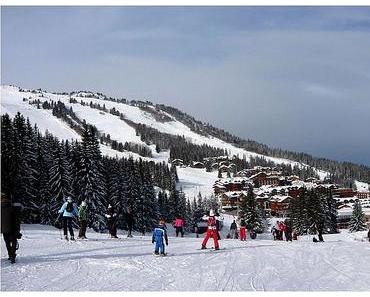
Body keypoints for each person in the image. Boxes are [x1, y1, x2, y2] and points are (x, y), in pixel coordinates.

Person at [1, 193, 22, 264]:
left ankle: (10, 255)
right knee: (13, 241)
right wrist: (18, 230)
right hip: (12, 229)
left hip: (4, 229)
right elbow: (16, 220)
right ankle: (12, 255)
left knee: (7, 242)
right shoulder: (12, 209)